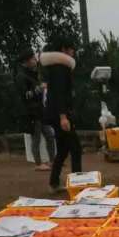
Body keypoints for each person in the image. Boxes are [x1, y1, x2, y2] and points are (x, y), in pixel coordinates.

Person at [40, 35, 82, 192]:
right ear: (64, 49)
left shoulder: (55, 68)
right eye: (71, 49)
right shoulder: (60, 68)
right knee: (75, 148)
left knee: (64, 149)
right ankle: (78, 184)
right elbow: (58, 94)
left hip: (55, 113)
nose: (73, 52)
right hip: (60, 115)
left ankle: (54, 183)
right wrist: (63, 117)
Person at [15, 47, 55, 171]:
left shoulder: (34, 73)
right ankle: (38, 164)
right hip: (31, 112)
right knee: (36, 138)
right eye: (33, 58)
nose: (35, 60)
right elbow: (25, 95)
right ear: (26, 61)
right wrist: (40, 88)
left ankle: (53, 161)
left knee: (49, 134)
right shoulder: (21, 76)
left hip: (40, 110)